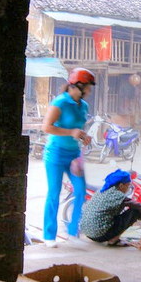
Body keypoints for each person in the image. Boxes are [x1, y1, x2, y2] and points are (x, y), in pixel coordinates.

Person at [41, 67, 95, 247]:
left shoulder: (84, 106)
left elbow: (77, 129)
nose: (89, 90)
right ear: (78, 85)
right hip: (55, 155)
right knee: (54, 194)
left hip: (74, 156)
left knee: (81, 191)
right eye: (88, 86)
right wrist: (71, 131)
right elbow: (47, 127)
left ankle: (73, 233)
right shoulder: (60, 102)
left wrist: (83, 136)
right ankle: (49, 236)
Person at [79, 170, 141, 245]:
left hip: (87, 232)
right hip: (99, 235)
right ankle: (114, 240)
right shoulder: (117, 195)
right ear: (121, 186)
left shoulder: (101, 191)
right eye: (128, 185)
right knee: (135, 211)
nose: (128, 188)